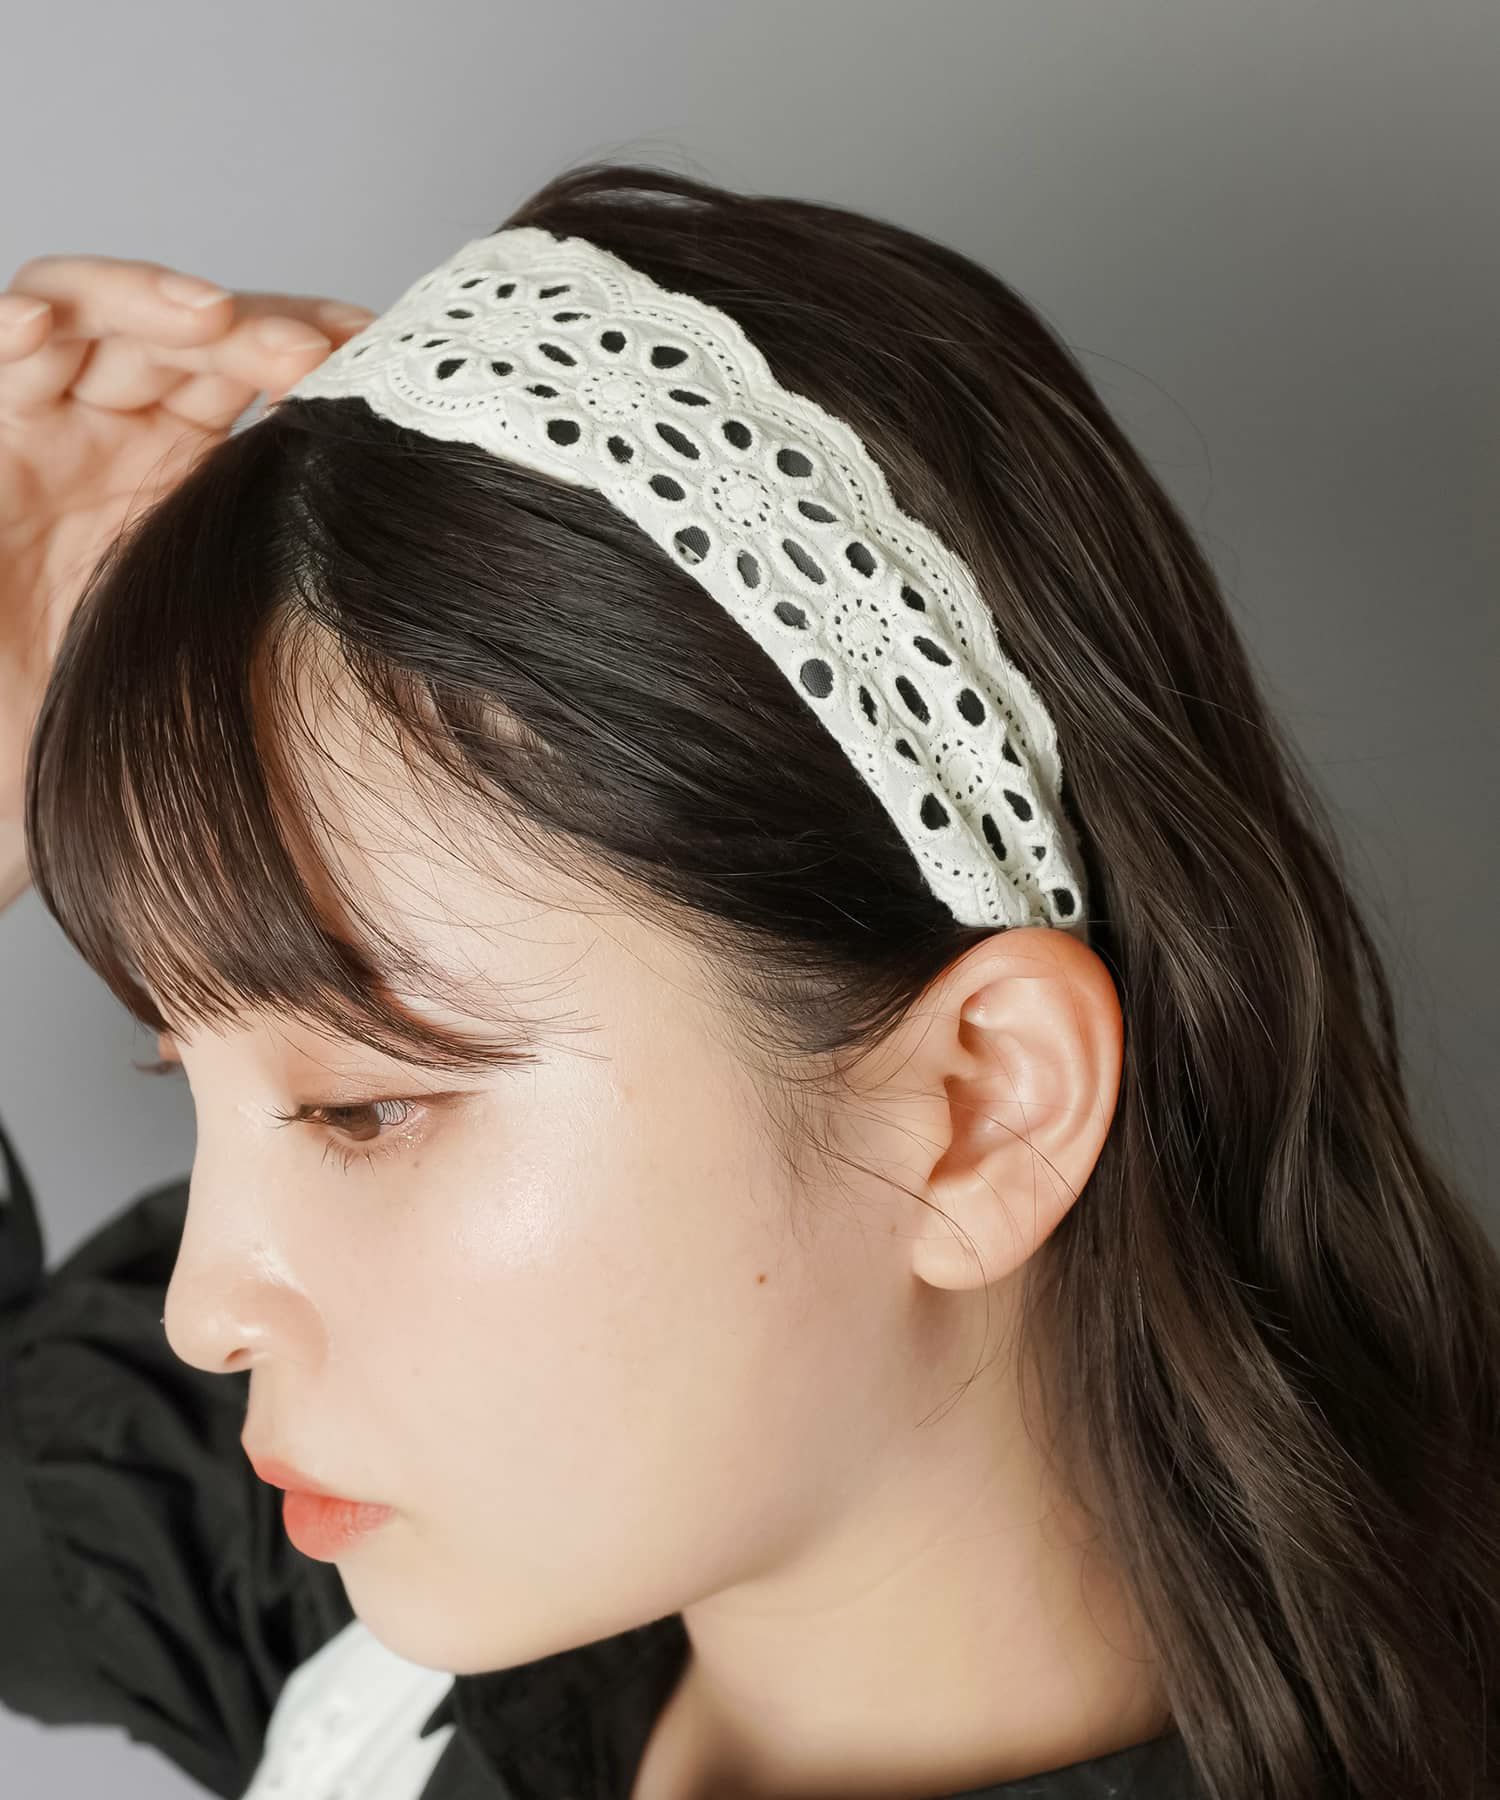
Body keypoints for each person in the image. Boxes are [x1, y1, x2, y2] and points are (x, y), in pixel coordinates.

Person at [0, 161, 1494, 1800]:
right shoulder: (403, 1605)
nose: (208, 1309)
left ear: (982, 1104)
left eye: (364, 1108)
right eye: (193, 1085)